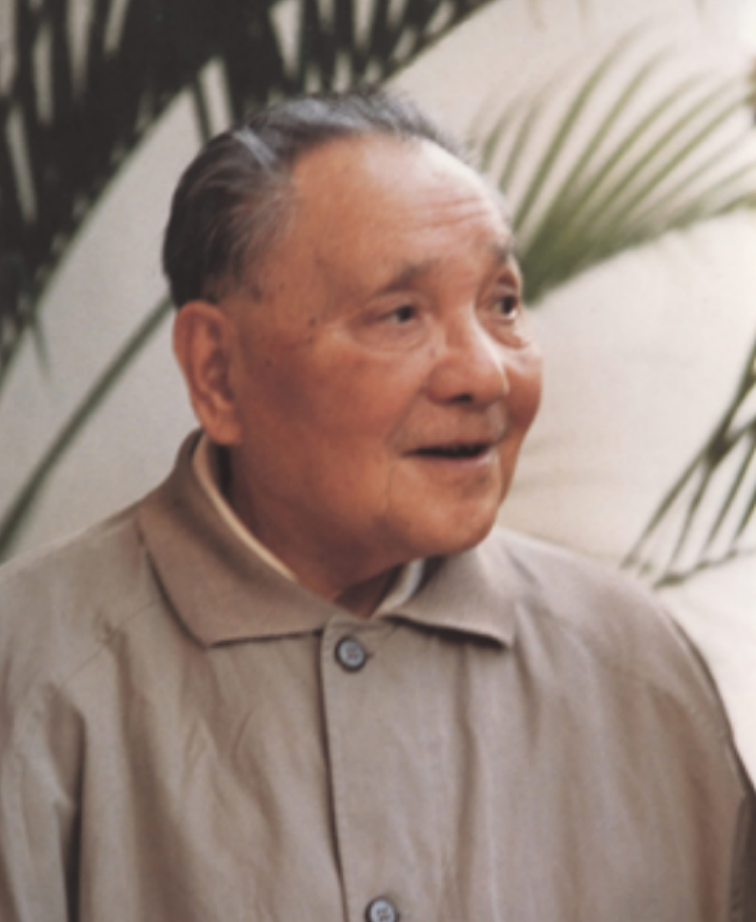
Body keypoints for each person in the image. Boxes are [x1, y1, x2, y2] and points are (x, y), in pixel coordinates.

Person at [0, 89, 753, 922]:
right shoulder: (28, 673)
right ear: (218, 371)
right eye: (400, 314)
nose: (485, 373)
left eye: (502, 303)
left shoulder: (634, 664)